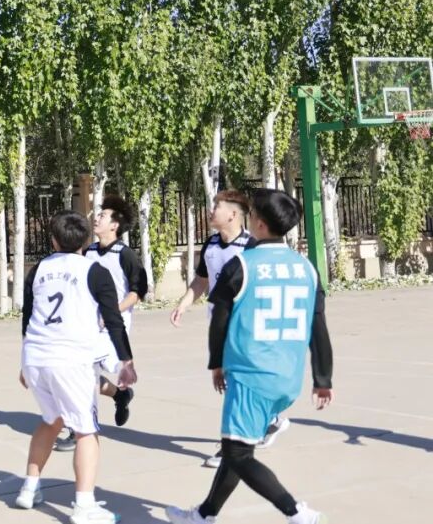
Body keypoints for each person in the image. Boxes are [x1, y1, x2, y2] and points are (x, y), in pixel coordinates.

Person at [165, 189, 334, 524]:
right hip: (288, 378)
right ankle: (205, 514)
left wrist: (216, 364)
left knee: (237, 453)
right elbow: (319, 326)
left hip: (251, 375)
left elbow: (219, 322)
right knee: (237, 446)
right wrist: (323, 378)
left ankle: (298, 513)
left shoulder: (241, 265)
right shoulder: (307, 268)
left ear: (259, 224)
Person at [15, 210, 136, 524]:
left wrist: (24, 361)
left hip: (36, 356)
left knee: (51, 420)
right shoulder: (94, 270)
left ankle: (29, 488)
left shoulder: (39, 269)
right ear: (85, 241)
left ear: (54, 240)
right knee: (86, 431)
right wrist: (126, 361)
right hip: (70, 359)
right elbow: (113, 320)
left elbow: (28, 317)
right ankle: (84, 506)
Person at [171, 190, 287, 467]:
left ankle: (231, 447)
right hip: (219, 325)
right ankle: (270, 420)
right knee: (237, 383)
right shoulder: (211, 244)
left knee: (236, 385)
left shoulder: (252, 246)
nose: (211, 211)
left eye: (217, 206)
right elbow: (201, 280)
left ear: (233, 214)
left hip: (246, 327)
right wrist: (184, 303)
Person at [55, 195, 146, 452]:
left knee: (83, 371)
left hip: (114, 326)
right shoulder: (89, 251)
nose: (96, 218)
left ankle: (81, 429)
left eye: (103, 216)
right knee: (85, 374)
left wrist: (111, 310)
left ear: (114, 225)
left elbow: (137, 292)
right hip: (90, 324)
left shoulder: (126, 255)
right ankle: (119, 395)